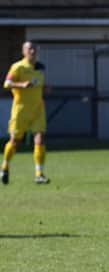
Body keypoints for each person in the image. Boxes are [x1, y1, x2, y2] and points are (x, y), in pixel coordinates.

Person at [1, 40, 50, 185]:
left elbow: (38, 85)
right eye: (29, 49)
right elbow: (7, 83)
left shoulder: (40, 68)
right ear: (24, 51)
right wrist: (21, 84)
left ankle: (39, 174)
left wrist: (45, 87)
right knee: (14, 142)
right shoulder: (18, 67)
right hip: (21, 109)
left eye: (34, 49)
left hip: (37, 109)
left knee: (40, 139)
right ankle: (5, 167)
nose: (32, 51)